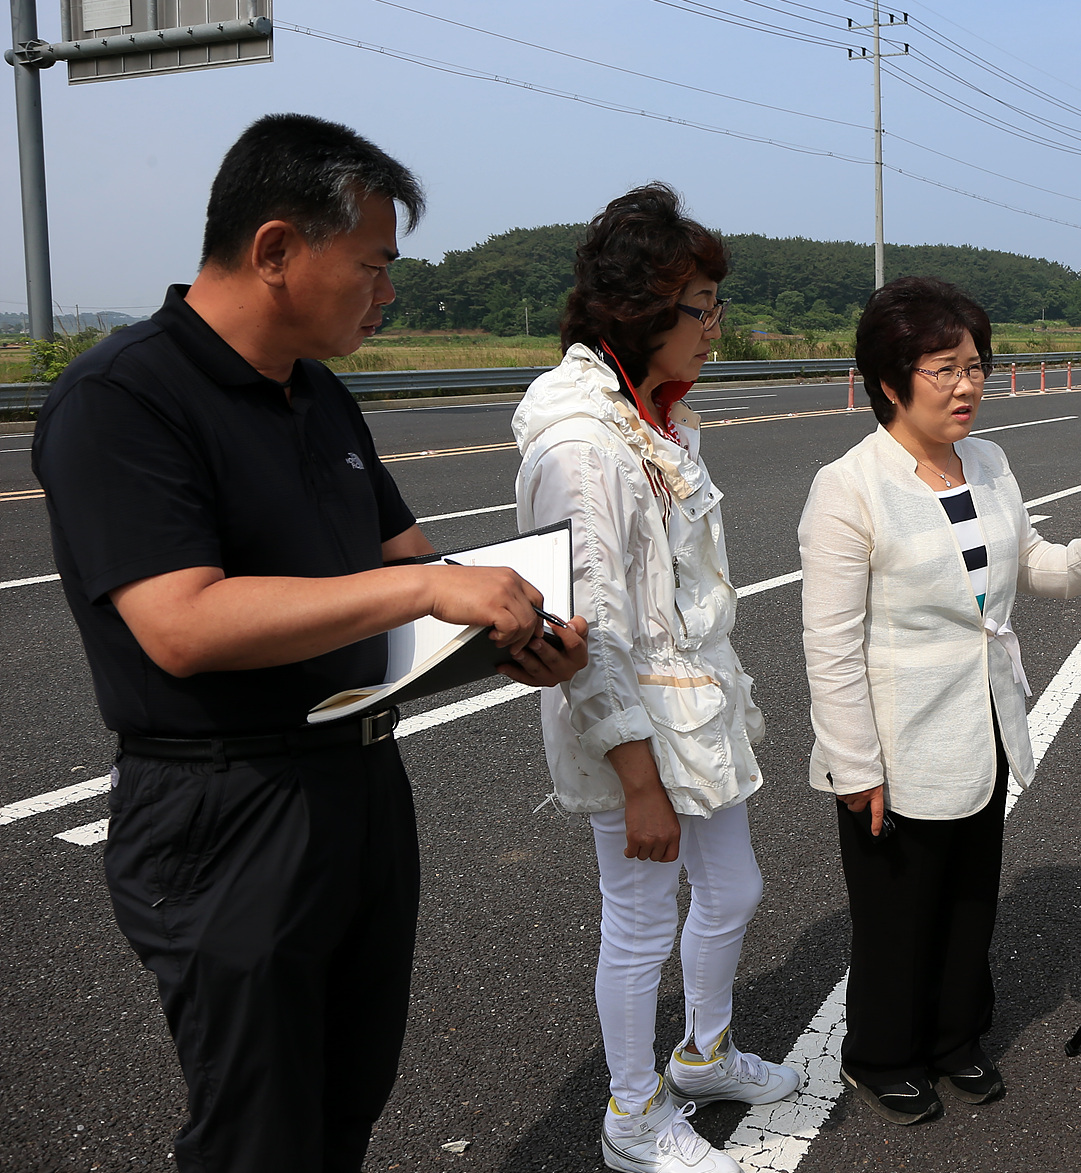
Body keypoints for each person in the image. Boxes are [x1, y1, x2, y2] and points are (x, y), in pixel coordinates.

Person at [31, 113, 588, 1173]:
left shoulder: (318, 395)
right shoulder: (124, 398)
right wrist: (424, 585)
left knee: (344, 1097)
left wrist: (519, 626)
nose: (386, 294)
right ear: (276, 248)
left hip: (359, 785)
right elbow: (182, 625)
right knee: (258, 1131)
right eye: (372, 266)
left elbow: (412, 562)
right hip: (224, 807)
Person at [798, 276, 1081, 1125]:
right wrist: (854, 764)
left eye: (977, 366)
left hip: (986, 723)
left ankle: (956, 1038)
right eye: (944, 368)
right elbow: (830, 644)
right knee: (897, 912)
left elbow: (1026, 565)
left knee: (968, 897)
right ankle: (883, 1052)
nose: (968, 386)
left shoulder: (990, 463)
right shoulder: (849, 487)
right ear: (891, 381)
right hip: (895, 740)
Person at [513, 183, 801, 1173]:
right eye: (702, 307)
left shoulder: (658, 423)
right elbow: (582, 633)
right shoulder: (584, 446)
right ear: (642, 312)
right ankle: (631, 1116)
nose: (717, 326)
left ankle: (703, 1053)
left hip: (692, 712)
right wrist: (637, 780)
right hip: (634, 729)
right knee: (638, 916)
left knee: (733, 888)